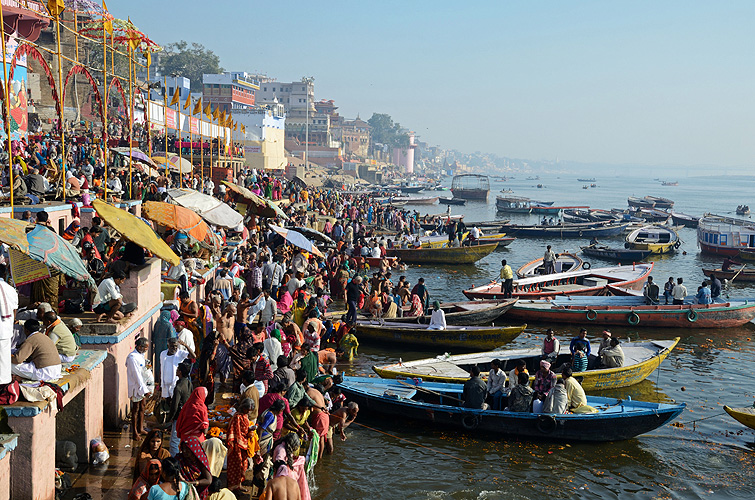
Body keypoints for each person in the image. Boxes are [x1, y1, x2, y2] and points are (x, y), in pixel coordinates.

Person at [226, 398, 253, 494]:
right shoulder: (237, 417)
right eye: (247, 410)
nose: (248, 412)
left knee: (243, 465)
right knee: (235, 465)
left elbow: (244, 430)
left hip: (244, 445)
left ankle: (239, 485)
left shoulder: (245, 416)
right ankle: (231, 487)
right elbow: (235, 431)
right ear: (243, 407)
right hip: (236, 446)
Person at [165, 362, 193, 456]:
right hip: (187, 414)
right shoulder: (188, 382)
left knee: (174, 441)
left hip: (179, 415)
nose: (176, 371)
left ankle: (175, 461)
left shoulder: (179, 387)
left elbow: (175, 405)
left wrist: (170, 418)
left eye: (177, 369)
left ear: (180, 372)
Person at [126, 337, 151, 439]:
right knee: (135, 409)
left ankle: (140, 428)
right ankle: (134, 432)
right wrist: (144, 390)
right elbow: (136, 375)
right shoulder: (132, 358)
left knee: (142, 407)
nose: (146, 350)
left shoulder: (141, 355)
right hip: (136, 388)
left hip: (143, 386)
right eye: (145, 347)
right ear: (140, 347)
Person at [0, 267, 18, 386]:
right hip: (5, 330)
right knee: (3, 361)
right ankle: (3, 385)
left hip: (4, 330)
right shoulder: (11, 289)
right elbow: (14, 311)